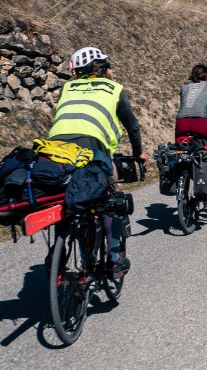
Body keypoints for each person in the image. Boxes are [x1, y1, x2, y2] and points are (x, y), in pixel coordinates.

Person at [47, 46, 147, 277]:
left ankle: (57, 255)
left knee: (64, 194)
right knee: (110, 197)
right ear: (101, 68)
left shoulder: (67, 88)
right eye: (108, 66)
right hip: (92, 147)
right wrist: (139, 153)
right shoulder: (114, 88)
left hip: (56, 148)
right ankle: (113, 259)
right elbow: (132, 125)